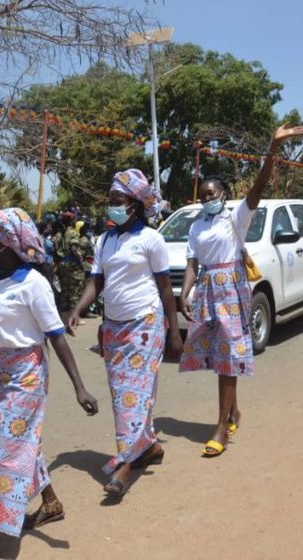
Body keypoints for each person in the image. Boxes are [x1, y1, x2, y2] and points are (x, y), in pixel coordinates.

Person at [0, 206, 98, 560]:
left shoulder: (34, 284)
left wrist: (79, 386)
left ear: (7, 243)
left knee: (5, 451)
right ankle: (50, 502)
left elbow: (57, 336)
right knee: (20, 444)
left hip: (26, 374)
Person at [179, 124, 303, 457]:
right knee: (217, 358)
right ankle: (234, 413)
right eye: (203, 194)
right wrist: (184, 293)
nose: (208, 198)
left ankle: (221, 428)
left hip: (232, 289)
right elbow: (193, 263)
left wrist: (273, 148)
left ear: (222, 194)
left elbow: (259, 185)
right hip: (208, 291)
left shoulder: (236, 217)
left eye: (213, 193)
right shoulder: (196, 226)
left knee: (227, 359)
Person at [67, 169, 183, 496]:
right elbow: (96, 282)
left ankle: (125, 465)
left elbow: (165, 289)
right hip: (114, 328)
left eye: (119, 202)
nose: (113, 207)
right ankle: (148, 446)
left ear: (134, 204)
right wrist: (77, 310)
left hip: (146, 325)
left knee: (135, 394)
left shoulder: (151, 239)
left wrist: (174, 333)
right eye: (111, 202)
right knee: (125, 397)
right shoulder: (104, 240)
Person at [54, 211, 84, 315]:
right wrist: (81, 262)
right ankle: (73, 316)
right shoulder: (73, 233)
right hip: (72, 265)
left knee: (64, 291)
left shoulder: (58, 234)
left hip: (62, 265)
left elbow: (55, 252)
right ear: (72, 220)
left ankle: (64, 317)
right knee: (74, 291)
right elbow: (74, 249)